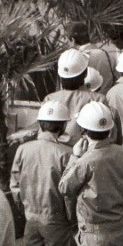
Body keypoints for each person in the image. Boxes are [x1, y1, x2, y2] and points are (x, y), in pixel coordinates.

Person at [59, 102, 123, 245]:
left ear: (83, 131)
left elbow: (64, 187)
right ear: (109, 129)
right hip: (119, 229)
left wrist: (75, 156)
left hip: (94, 234)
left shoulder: (84, 162)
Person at [10, 101, 73, 245]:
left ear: (40, 123)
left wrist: (26, 210)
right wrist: (71, 219)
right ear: (63, 125)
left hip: (30, 219)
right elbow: (70, 195)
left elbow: (15, 186)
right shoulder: (66, 154)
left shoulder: (23, 149)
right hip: (57, 221)